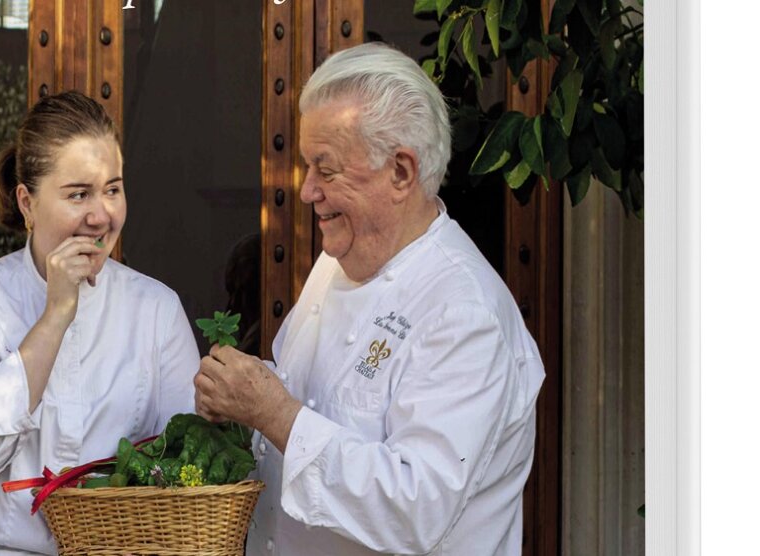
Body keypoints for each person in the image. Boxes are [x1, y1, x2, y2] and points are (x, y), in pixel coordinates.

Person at [194, 42, 545, 555]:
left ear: (401, 172)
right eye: (307, 166)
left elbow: (415, 509)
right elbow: (313, 398)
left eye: (326, 169)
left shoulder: (465, 312)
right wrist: (242, 401)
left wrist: (271, 412)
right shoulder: (338, 259)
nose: (308, 189)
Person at [0, 91, 199, 555]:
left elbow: (182, 468)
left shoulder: (156, 309)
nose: (101, 216)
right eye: (78, 194)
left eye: (112, 189)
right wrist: (55, 315)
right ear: (27, 204)